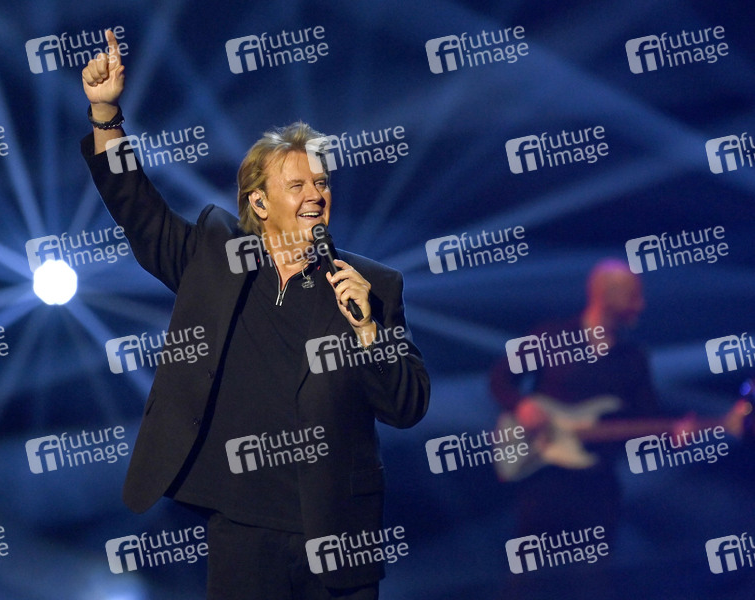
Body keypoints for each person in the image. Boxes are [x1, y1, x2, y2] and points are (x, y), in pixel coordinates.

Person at [81, 31, 430, 599]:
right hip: (241, 531)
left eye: (322, 183)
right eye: (297, 185)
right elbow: (138, 210)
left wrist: (367, 329)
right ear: (260, 202)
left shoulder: (372, 286)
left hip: (336, 536)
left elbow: (407, 406)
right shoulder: (215, 256)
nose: (315, 194)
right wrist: (106, 116)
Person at [490, 259, 659, 600]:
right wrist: (521, 406)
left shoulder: (633, 358)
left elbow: (649, 420)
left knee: (591, 586)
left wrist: (675, 434)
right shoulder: (551, 336)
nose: (641, 305)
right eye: (633, 296)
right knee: (526, 584)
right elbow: (500, 379)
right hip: (544, 485)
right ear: (606, 295)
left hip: (597, 491)